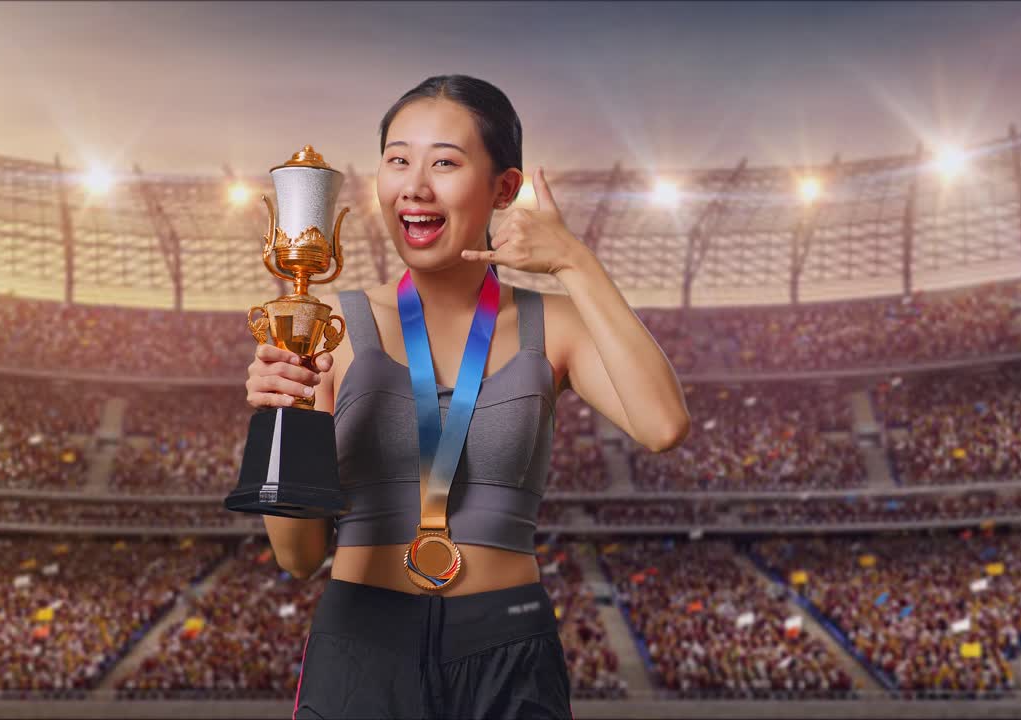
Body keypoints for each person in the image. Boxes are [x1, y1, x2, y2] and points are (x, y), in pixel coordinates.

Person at [245, 74, 690, 720]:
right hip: (360, 643)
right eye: (397, 159)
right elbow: (300, 556)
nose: (415, 185)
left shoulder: (553, 323)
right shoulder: (324, 326)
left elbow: (664, 424)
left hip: (507, 644)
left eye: (445, 163)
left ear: (503, 188)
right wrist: (280, 421)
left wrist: (574, 262)